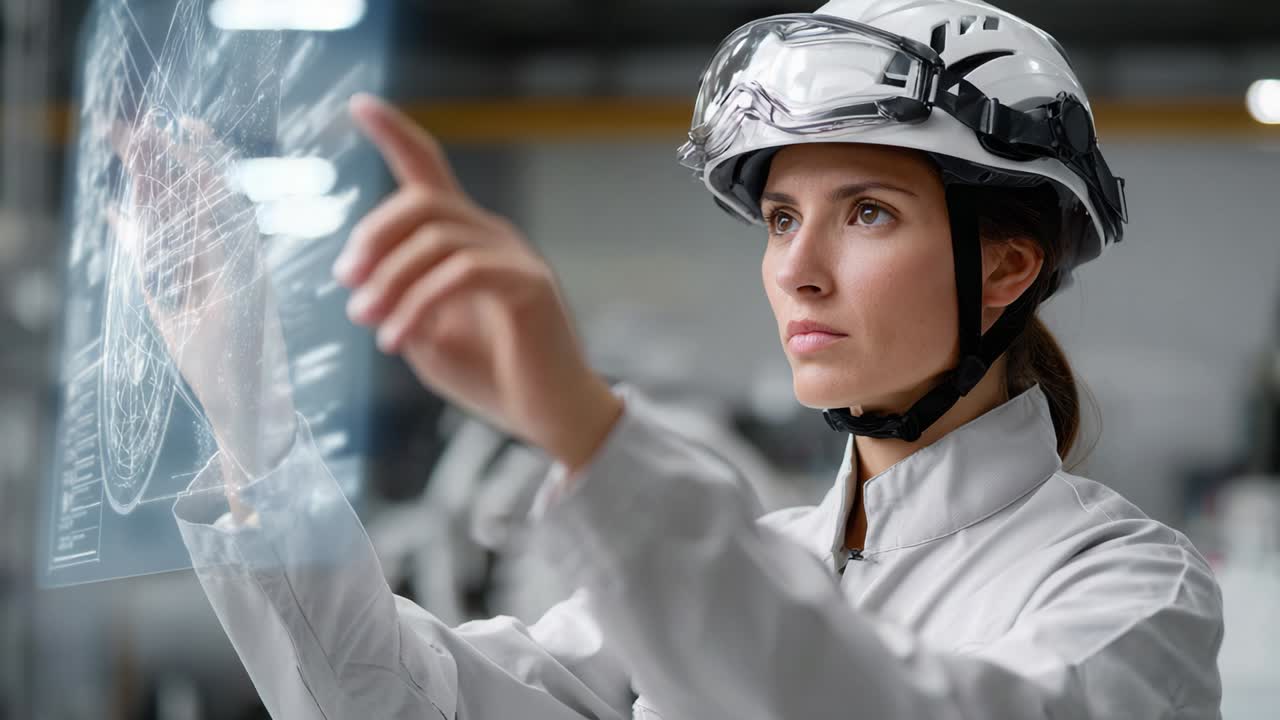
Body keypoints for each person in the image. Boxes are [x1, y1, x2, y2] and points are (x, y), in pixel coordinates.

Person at [153, 0, 1222, 717]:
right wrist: (250, 425)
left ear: (1003, 270)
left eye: (864, 212)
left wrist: (585, 427)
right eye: (778, 218)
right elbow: (401, 695)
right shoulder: (761, 554)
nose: (796, 270)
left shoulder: (1129, 589)